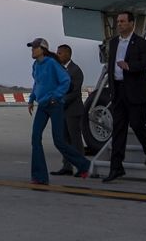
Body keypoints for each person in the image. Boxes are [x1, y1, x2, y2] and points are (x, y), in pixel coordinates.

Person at [102, 11, 146, 182]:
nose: (119, 24)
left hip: (135, 90)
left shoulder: (141, 43)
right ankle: (116, 167)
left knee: (137, 124)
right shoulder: (113, 43)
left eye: (123, 21)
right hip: (118, 90)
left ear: (131, 23)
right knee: (118, 129)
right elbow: (110, 67)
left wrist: (129, 66)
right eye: (118, 21)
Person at [27, 39, 91, 184]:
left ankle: (84, 164)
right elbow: (37, 83)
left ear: (42, 49)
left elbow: (65, 81)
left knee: (59, 141)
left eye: (34, 48)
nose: (32, 50)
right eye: (31, 48)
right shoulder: (36, 65)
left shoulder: (51, 63)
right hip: (43, 105)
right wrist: (31, 99)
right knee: (35, 138)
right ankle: (39, 176)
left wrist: (56, 96)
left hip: (55, 105)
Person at [51, 44, 86, 177]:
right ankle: (67, 166)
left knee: (75, 140)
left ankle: (81, 167)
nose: (57, 55)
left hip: (73, 111)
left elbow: (75, 92)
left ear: (68, 54)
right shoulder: (58, 70)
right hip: (62, 111)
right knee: (64, 140)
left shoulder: (76, 70)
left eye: (59, 53)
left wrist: (59, 101)